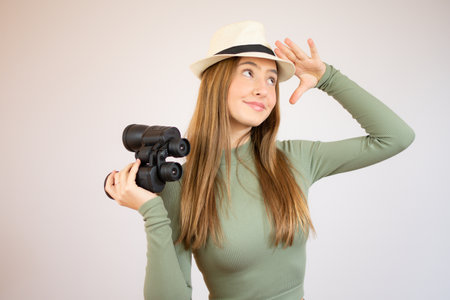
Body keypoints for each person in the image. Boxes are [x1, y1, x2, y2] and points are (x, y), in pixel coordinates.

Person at [104, 20, 415, 300]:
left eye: (271, 80)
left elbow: (395, 137)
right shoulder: (181, 185)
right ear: (216, 83)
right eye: (249, 72)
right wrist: (151, 212)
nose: (263, 90)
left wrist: (327, 78)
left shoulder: (295, 159)